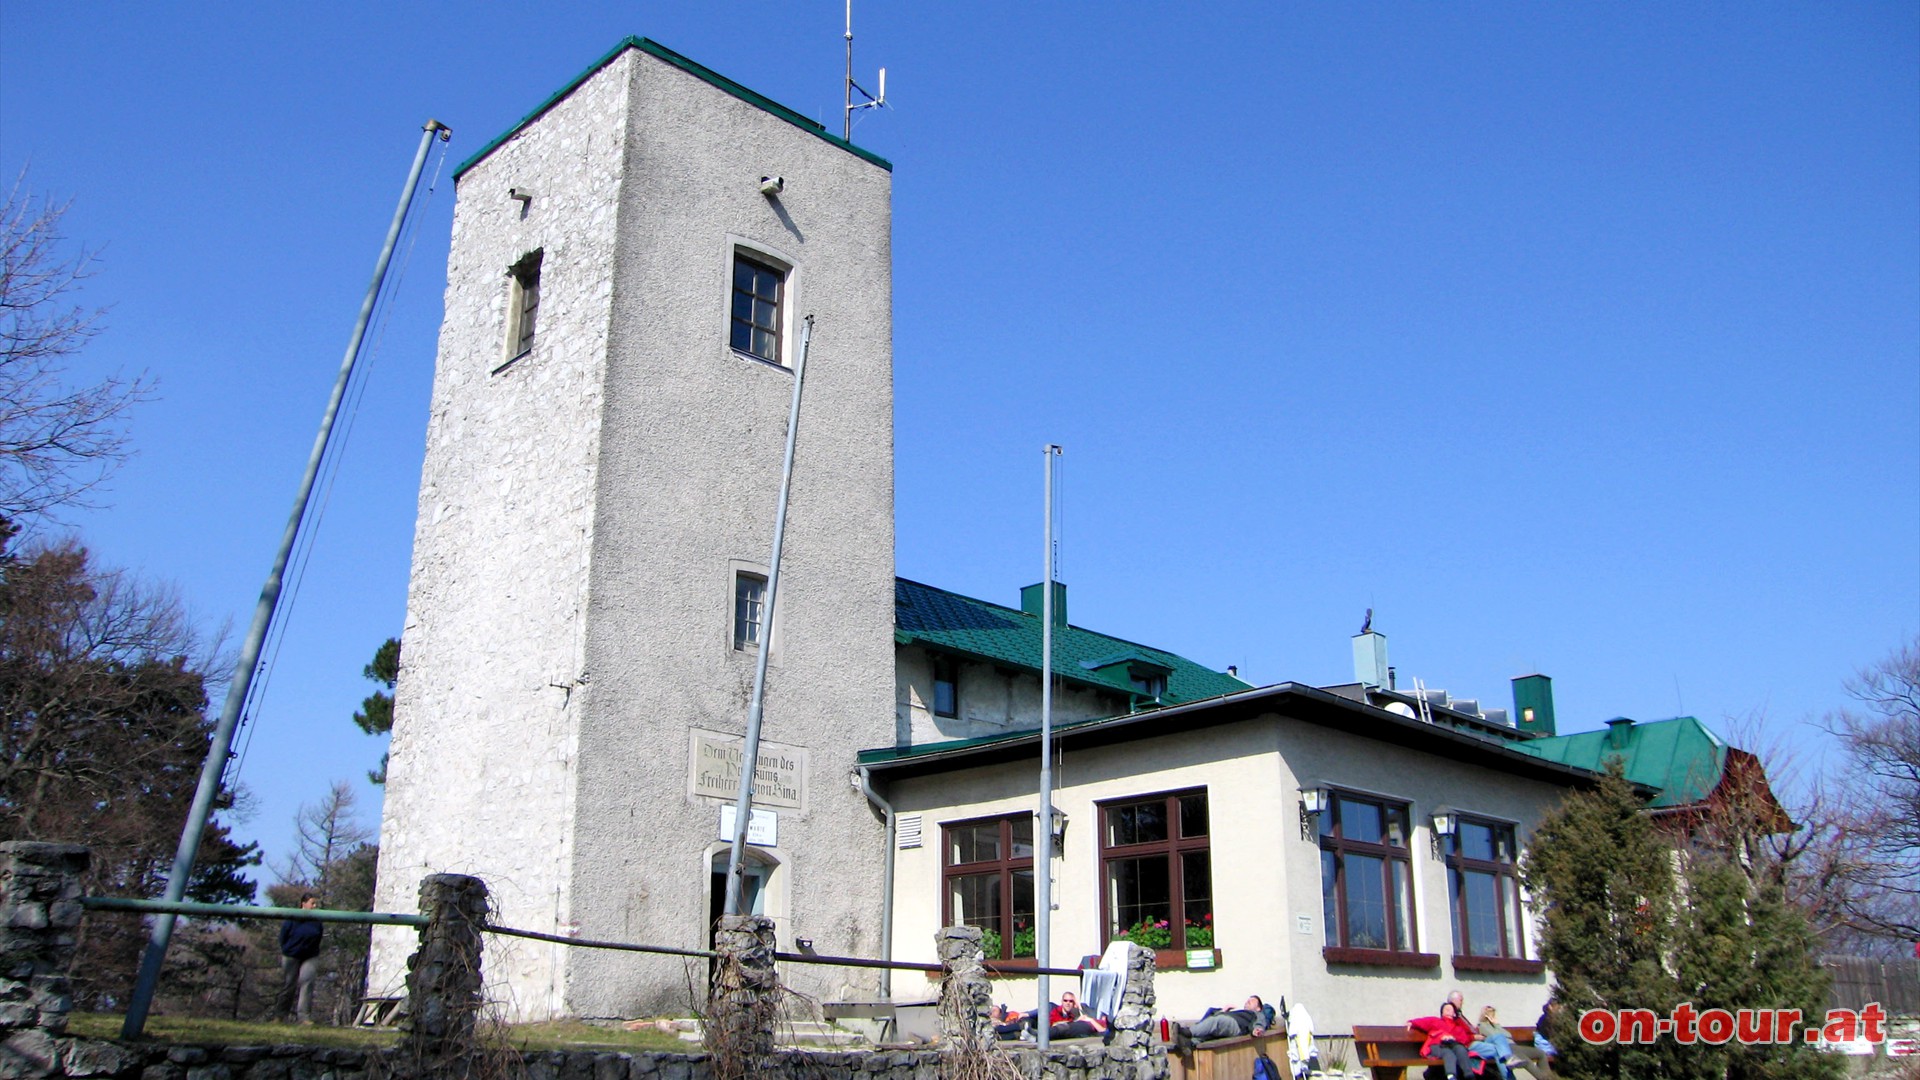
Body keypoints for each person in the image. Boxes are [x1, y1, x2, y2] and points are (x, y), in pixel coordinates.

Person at [275, 894, 323, 1024]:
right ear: (303, 903)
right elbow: (283, 937)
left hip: (310, 956)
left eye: (315, 904)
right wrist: (288, 950)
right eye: (312, 903)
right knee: (289, 985)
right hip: (291, 955)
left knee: (307, 983)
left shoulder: (317, 921)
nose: (315, 906)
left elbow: (318, 937)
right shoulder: (292, 918)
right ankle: (280, 1015)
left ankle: (304, 1017)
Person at [1173, 996, 1275, 1053]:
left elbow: (1260, 1023)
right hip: (1228, 1023)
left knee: (1217, 1021)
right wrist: (1224, 1010)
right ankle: (1188, 1044)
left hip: (1237, 1026)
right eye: (1247, 1000)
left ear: (1258, 1008)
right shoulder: (1241, 1012)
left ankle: (1187, 1032)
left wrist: (1257, 1030)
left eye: (1251, 1001)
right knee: (1208, 1033)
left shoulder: (1257, 1014)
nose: (1248, 1001)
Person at [1408, 1001, 1481, 1080]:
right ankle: (1451, 1076)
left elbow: (1464, 1039)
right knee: (1448, 1053)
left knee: (1461, 1049)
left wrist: (1453, 1038)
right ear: (1442, 1013)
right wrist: (1411, 1023)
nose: (1449, 1011)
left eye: (1451, 1010)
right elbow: (1422, 1022)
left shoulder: (1457, 1027)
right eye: (1447, 1009)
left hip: (1452, 1045)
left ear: (1454, 1014)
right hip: (1436, 1045)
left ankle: (1469, 1075)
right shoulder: (1435, 1021)